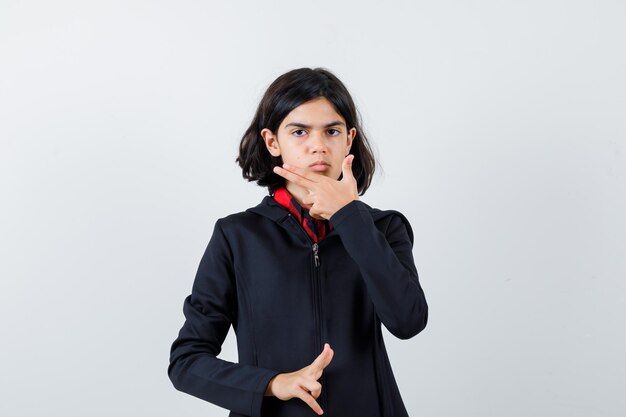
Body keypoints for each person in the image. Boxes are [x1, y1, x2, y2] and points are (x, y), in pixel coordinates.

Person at [168, 67, 428, 417]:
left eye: (332, 131)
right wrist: (272, 384)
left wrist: (350, 217)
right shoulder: (237, 236)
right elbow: (186, 362)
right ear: (273, 142)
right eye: (299, 131)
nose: (318, 146)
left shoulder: (382, 228)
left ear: (349, 140)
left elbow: (408, 320)